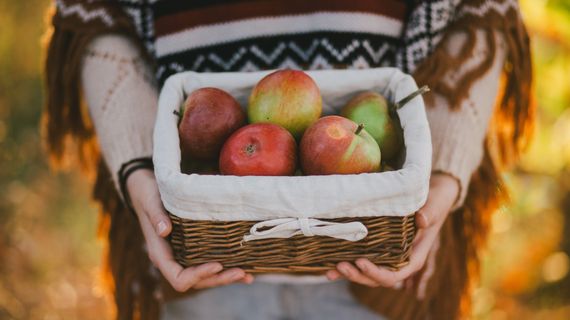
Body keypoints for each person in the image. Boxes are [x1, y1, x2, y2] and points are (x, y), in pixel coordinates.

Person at [43, 0, 533, 319]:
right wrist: (140, 169)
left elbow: (478, 13)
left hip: (376, 259)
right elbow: (99, 16)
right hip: (200, 255)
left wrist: (441, 176)